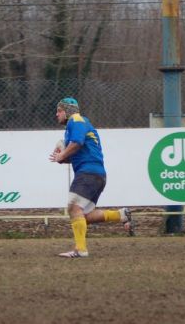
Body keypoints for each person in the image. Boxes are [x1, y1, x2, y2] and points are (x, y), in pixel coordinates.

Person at [49, 97, 134, 258]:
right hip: (96, 175)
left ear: (67, 111)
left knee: (74, 207)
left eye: (59, 110)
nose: (56, 114)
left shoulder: (77, 120)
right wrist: (62, 157)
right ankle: (121, 215)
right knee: (83, 215)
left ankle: (80, 250)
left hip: (88, 173)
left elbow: (78, 143)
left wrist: (62, 154)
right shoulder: (72, 128)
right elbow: (74, 151)